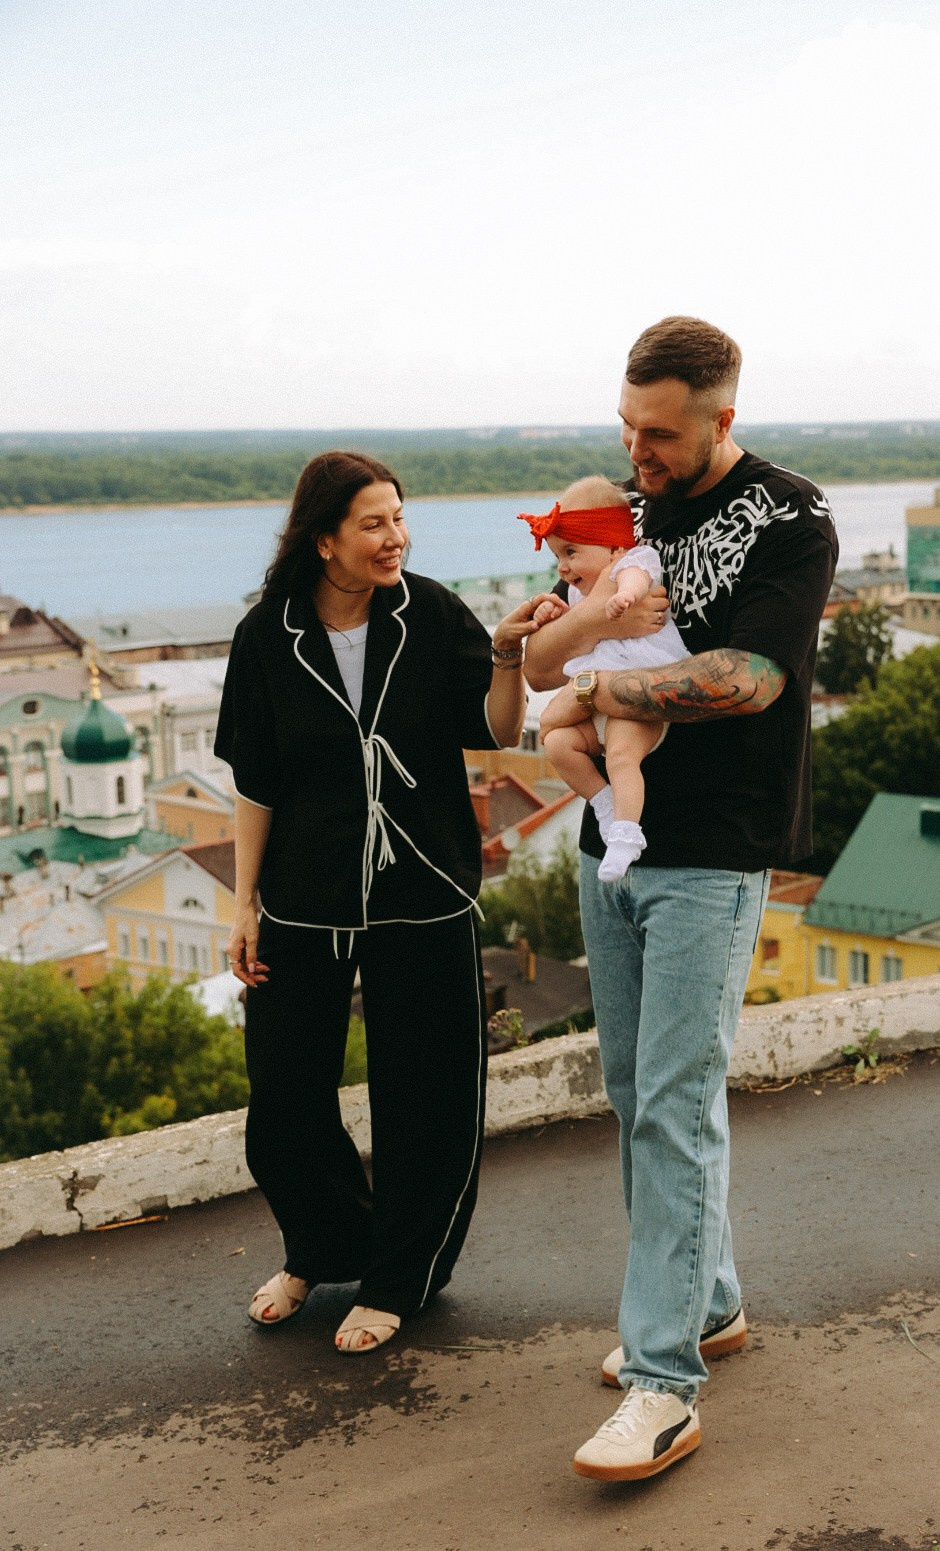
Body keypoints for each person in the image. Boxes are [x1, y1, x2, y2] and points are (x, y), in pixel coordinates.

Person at [525, 317, 838, 1481]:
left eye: (658, 433)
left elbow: (750, 678)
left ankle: (664, 1383)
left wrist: (611, 671)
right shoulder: (626, 508)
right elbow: (551, 655)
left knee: (673, 1096)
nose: (638, 451)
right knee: (632, 1090)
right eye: (626, 426)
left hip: (714, 848)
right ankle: (706, 1305)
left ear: (723, 419)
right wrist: (562, 646)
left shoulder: (789, 516)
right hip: (616, 840)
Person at [215, 450, 556, 1355]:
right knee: (284, 1098)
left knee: (429, 1097)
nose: (394, 536)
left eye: (399, 518)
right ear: (324, 539)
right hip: (303, 898)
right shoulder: (267, 637)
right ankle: (324, 1246)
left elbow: (493, 733)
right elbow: (256, 782)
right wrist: (244, 904)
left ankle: (400, 1275)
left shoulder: (433, 612)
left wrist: (507, 657)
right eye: (372, 523)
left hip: (424, 890)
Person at [517, 476, 690, 881]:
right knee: (558, 743)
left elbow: (635, 577)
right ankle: (603, 802)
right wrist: (551, 616)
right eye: (559, 555)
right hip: (594, 706)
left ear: (612, 545)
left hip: (636, 700)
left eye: (571, 552)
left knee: (621, 757)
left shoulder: (631, 561)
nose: (563, 567)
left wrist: (623, 596)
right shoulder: (580, 590)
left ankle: (628, 834)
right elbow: (545, 654)